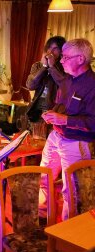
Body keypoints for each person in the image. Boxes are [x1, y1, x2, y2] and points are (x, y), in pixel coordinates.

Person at [39, 38, 95, 221]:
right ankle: (42, 224)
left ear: (80, 59)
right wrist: (52, 114)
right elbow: (61, 106)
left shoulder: (92, 85)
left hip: (76, 142)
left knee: (71, 191)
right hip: (56, 136)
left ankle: (66, 239)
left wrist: (66, 120)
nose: (61, 61)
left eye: (65, 57)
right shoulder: (67, 80)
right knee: (43, 178)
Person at [26, 36, 66, 132]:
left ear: (61, 51)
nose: (51, 51)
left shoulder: (65, 66)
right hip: (37, 110)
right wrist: (44, 67)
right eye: (49, 48)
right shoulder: (37, 65)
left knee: (50, 143)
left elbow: (65, 85)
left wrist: (52, 67)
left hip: (55, 111)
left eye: (55, 48)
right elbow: (30, 85)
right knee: (34, 141)